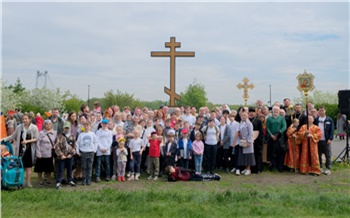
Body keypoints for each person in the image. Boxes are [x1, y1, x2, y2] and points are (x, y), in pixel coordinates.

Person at [2, 114, 39, 188]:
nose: (24, 120)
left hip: (29, 150)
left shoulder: (34, 128)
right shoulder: (19, 127)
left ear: (30, 119)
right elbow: (13, 136)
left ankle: (28, 182)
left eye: (26, 119)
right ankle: (20, 181)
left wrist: (27, 141)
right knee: (20, 166)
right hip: (20, 149)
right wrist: (3, 139)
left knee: (28, 167)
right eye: (23, 119)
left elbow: (36, 138)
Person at [34, 120, 57, 186]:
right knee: (40, 168)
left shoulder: (54, 133)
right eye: (47, 124)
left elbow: (56, 141)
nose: (48, 126)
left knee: (49, 168)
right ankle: (40, 181)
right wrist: (38, 153)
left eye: (50, 124)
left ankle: (48, 180)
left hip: (49, 153)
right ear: (44, 125)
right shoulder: (41, 133)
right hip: (42, 152)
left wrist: (55, 146)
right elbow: (38, 143)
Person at [55, 122, 77, 189]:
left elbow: (75, 146)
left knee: (70, 169)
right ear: (63, 128)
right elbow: (57, 146)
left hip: (69, 156)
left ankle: (70, 180)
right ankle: (59, 181)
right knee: (60, 169)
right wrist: (61, 155)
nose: (67, 129)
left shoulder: (72, 136)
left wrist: (71, 154)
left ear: (70, 128)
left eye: (68, 128)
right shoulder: (60, 136)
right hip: (62, 156)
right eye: (65, 128)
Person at [76, 121, 98, 186]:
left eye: (87, 125)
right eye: (85, 126)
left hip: (91, 152)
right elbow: (77, 143)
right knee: (84, 167)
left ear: (90, 126)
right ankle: (84, 179)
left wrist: (94, 150)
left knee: (90, 167)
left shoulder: (92, 134)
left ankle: (89, 179)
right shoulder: (81, 135)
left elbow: (96, 142)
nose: (86, 127)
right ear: (83, 127)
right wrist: (78, 151)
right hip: (83, 152)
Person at [314, 106, 334, 175]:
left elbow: (332, 130)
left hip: (326, 140)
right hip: (318, 140)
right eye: (320, 110)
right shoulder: (316, 120)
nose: (321, 112)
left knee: (328, 155)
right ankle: (320, 167)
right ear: (318, 112)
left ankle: (328, 168)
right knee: (318, 154)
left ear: (325, 111)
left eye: (322, 110)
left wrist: (330, 138)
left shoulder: (329, 120)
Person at [266, 105, 287, 172]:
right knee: (272, 152)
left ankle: (280, 166)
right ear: (272, 110)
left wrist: (279, 133)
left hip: (279, 138)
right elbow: (267, 127)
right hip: (271, 138)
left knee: (280, 153)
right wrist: (271, 135)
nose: (276, 111)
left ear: (279, 111)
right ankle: (273, 165)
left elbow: (284, 126)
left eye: (277, 110)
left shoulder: (281, 118)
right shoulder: (269, 118)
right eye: (274, 110)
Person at [236, 111, 255, 176]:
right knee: (244, 155)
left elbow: (250, 133)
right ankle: (245, 168)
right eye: (242, 115)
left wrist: (249, 141)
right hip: (242, 140)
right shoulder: (241, 123)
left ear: (247, 116)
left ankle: (248, 169)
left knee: (248, 155)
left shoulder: (249, 123)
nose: (243, 116)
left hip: (247, 141)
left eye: (244, 115)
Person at [248, 107, 264, 174]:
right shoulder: (247, 120)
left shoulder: (258, 121)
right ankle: (251, 168)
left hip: (257, 141)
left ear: (255, 113)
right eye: (250, 112)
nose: (251, 113)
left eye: (253, 112)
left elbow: (261, 132)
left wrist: (257, 139)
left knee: (257, 155)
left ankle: (258, 169)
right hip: (249, 140)